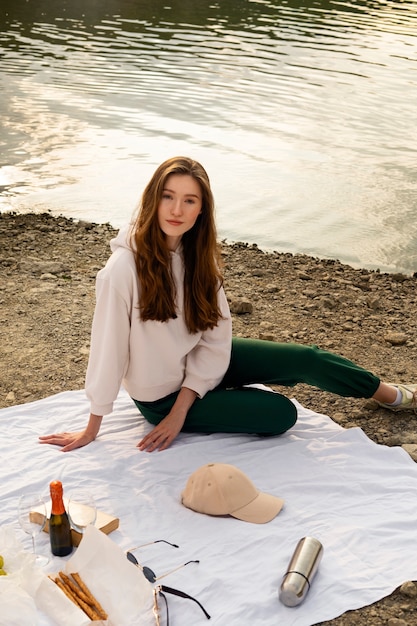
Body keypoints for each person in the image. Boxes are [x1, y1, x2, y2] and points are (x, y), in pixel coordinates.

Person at [39, 156, 417, 453]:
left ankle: (390, 395)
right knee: (280, 414)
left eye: (189, 200)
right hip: (160, 396)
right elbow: (108, 353)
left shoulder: (198, 257)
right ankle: (217, 403)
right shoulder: (121, 270)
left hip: (201, 365)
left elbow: (216, 338)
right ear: (153, 200)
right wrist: (95, 427)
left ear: (201, 209)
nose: (176, 209)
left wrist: (193, 395)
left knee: (307, 358)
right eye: (168, 197)